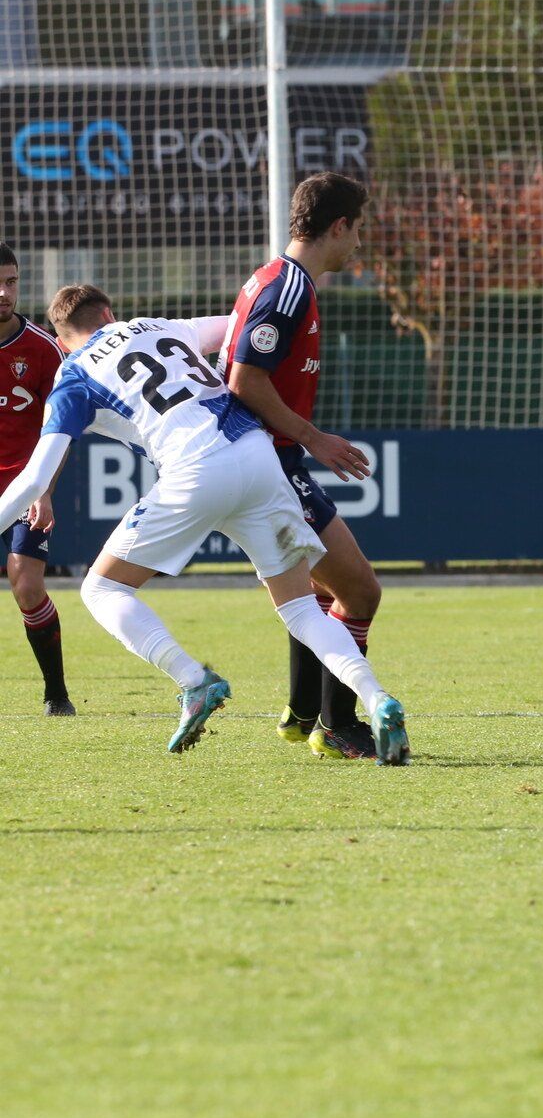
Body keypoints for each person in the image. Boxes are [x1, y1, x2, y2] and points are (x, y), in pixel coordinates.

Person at [0, 285, 407, 761]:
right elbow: (239, 327)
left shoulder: (74, 372)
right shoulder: (159, 326)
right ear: (109, 313)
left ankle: (194, 680)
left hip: (194, 469)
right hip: (257, 455)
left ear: (60, 339)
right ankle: (377, 699)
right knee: (301, 610)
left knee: (101, 589)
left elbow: (36, 478)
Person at [221, 172, 383, 760]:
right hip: (269, 463)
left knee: (315, 587)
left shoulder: (276, 279)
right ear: (337, 227)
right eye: (357, 229)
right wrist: (316, 439)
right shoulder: (287, 289)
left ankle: (303, 709)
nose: (358, 242)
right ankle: (337, 725)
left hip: (267, 458)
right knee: (359, 591)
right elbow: (244, 379)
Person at [0, 244, 72, 715]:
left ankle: (57, 695)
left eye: (11, 282)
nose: (4, 293)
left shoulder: (43, 350)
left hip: (24, 486)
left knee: (27, 585)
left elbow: (60, 430)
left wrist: (43, 490)